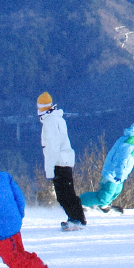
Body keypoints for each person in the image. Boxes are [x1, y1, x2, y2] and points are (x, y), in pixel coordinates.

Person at [37, 91, 86, 229]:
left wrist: (49, 170)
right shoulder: (56, 119)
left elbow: (52, 147)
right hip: (65, 160)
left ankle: (77, 219)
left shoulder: (50, 122)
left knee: (64, 194)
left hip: (59, 162)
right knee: (66, 193)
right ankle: (74, 218)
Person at [82, 120, 134, 213]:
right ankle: (78, 202)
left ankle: (103, 206)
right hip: (113, 173)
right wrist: (119, 173)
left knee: (116, 191)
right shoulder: (131, 141)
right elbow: (122, 159)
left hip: (117, 173)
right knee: (105, 194)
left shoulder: (131, 139)